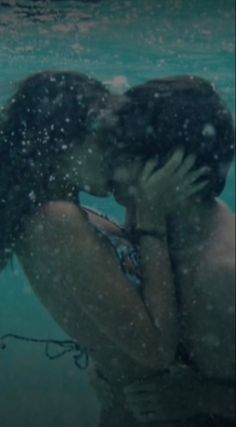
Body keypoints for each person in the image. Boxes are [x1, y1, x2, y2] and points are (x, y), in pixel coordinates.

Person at [0, 71, 208, 427]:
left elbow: (127, 285)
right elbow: (155, 349)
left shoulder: (69, 212)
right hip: (150, 414)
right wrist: (151, 217)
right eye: (104, 140)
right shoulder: (56, 220)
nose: (116, 152)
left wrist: (138, 203)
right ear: (62, 144)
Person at [107, 75, 235, 426]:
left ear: (172, 168)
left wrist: (200, 396)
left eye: (123, 152)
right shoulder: (156, 227)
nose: (109, 165)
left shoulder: (223, 272)